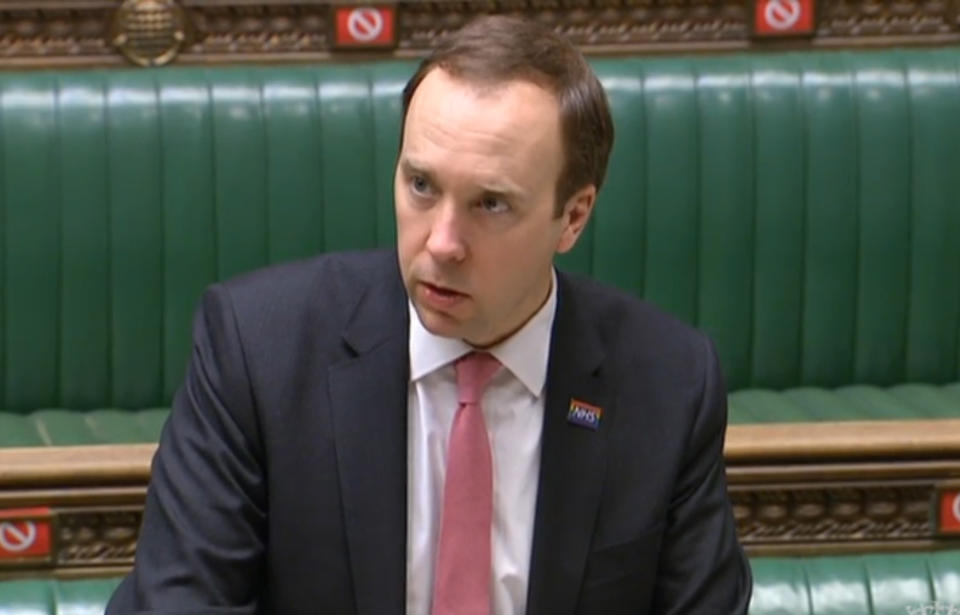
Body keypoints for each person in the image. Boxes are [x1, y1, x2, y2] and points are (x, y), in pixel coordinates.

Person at [107, 14, 751, 615]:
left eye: (490, 204)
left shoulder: (669, 384)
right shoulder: (257, 351)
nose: (441, 242)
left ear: (573, 216)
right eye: (421, 185)